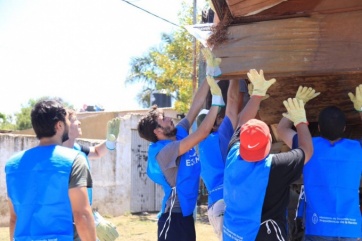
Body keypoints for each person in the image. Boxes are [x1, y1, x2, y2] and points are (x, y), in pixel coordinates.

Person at [223, 69, 313, 241]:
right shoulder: (275, 167)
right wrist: (300, 120)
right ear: (269, 141)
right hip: (264, 235)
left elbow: (242, 123)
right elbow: (307, 151)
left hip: (234, 234)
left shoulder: (233, 154)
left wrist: (257, 95)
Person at [137, 73, 225, 241]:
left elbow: (195, 108)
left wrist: (209, 76)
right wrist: (216, 103)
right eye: (163, 119)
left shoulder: (178, 133)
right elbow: (202, 132)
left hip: (185, 215)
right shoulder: (166, 152)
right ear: (157, 131)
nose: (170, 118)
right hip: (174, 218)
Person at [278, 84, 362, 240]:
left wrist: (297, 103)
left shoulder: (308, 146)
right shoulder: (357, 148)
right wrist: (361, 109)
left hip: (318, 228)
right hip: (351, 229)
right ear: (345, 128)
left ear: (319, 127)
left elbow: (281, 129)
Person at [5, 99, 96, 241]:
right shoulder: (74, 160)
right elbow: (81, 215)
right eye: (66, 120)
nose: (68, 124)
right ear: (59, 125)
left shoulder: (12, 165)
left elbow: (14, 218)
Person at [63, 109, 120, 241]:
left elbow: (97, 152)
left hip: (82, 212)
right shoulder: (59, 156)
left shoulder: (77, 148)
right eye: (74, 120)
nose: (79, 122)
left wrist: (110, 141)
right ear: (64, 126)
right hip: (69, 219)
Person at [196, 78, 240, 240]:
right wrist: (235, 77)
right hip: (225, 200)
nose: (222, 119)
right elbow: (233, 108)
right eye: (218, 118)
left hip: (214, 203)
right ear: (213, 125)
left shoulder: (201, 143)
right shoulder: (220, 137)